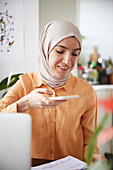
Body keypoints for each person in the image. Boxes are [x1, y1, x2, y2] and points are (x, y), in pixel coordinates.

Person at [0, 20, 106, 165]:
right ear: (46, 49)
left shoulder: (86, 92)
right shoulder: (24, 84)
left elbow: (89, 141)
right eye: (60, 51)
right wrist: (25, 103)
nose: (68, 61)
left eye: (75, 54)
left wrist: (93, 156)